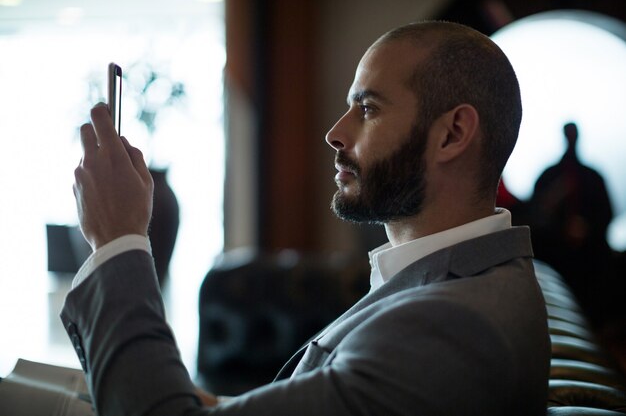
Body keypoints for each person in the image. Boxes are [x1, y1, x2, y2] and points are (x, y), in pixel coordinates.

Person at [62, 21, 550, 415]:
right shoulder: (461, 283)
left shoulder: (451, 329)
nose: (335, 133)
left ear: (453, 134)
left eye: (368, 108)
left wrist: (117, 238)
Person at [530, 122, 614, 320]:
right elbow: (535, 215)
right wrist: (562, 229)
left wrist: (586, 229)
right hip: (557, 252)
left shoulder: (592, 177)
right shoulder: (550, 177)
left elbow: (607, 214)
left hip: (589, 252)